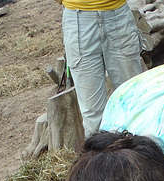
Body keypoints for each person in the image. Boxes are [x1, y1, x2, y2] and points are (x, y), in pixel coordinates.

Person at [60, 0, 146, 137]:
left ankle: (140, 156)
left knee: (133, 101)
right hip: (78, 21)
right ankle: (99, 157)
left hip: (118, 17)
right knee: (92, 113)